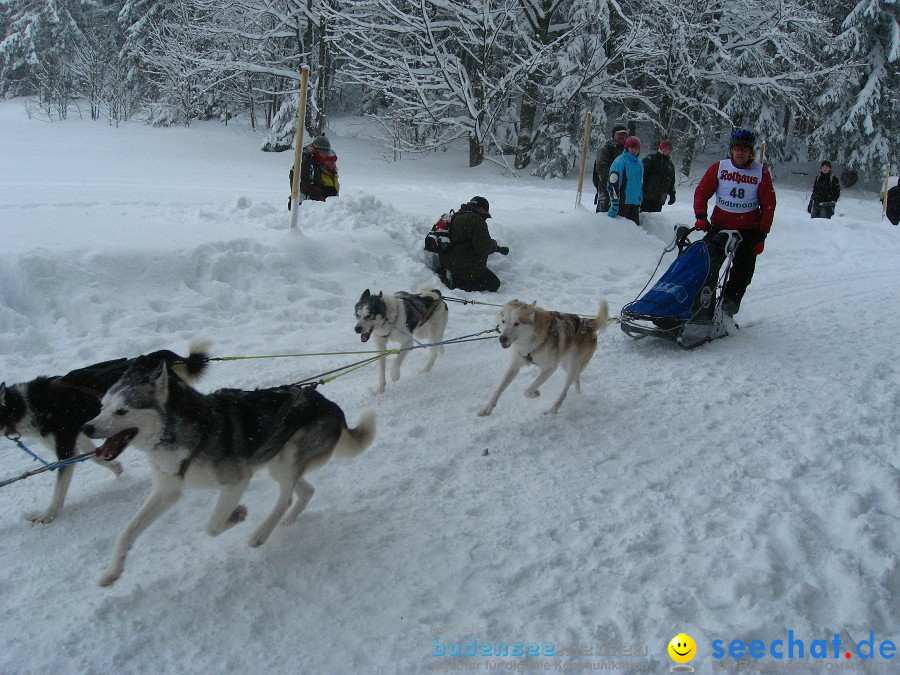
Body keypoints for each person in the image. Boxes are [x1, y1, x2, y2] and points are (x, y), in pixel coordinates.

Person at [693, 129, 776, 317]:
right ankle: (702, 309)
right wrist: (700, 215)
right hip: (720, 228)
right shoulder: (719, 168)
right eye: (737, 149)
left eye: (745, 150)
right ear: (731, 150)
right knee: (706, 268)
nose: (740, 153)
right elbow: (702, 192)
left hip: (748, 232)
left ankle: (726, 312)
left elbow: (769, 205)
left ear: (751, 152)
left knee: (741, 275)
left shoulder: (760, 173)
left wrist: (762, 234)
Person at [437, 196, 509, 293]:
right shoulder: (476, 220)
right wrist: (495, 246)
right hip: (463, 267)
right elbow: (484, 248)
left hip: (448, 261)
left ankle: (450, 274)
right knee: (494, 284)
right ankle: (456, 283)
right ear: (482, 209)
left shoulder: (456, 215)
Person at [288, 134, 339, 209]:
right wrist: (322, 192)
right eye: (323, 153)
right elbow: (304, 187)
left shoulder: (316, 161)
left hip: (314, 203)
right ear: (317, 151)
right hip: (304, 205)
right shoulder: (306, 162)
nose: (325, 156)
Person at [607, 136, 644, 226]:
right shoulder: (620, 161)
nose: (634, 151)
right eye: (632, 148)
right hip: (622, 203)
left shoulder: (639, 164)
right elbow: (613, 182)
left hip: (634, 203)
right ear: (627, 148)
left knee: (634, 232)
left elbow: (640, 182)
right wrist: (615, 203)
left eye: (637, 148)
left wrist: (640, 197)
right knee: (620, 231)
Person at [592, 123, 628, 213]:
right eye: (619, 134)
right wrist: (611, 186)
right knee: (603, 218)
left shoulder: (627, 151)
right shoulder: (606, 149)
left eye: (624, 134)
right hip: (606, 190)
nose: (622, 136)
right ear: (613, 135)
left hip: (622, 192)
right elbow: (601, 168)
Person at [641, 140, 677, 212]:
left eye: (670, 149)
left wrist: (672, 194)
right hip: (645, 198)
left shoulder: (670, 166)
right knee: (643, 219)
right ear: (661, 148)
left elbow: (671, 182)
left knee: (655, 221)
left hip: (659, 200)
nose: (667, 150)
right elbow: (641, 176)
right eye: (666, 148)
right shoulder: (651, 159)